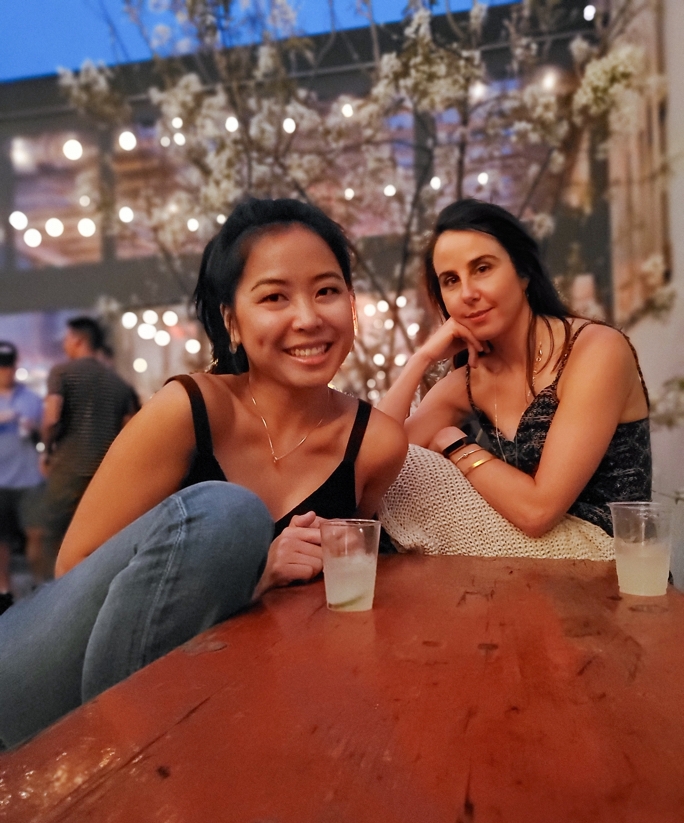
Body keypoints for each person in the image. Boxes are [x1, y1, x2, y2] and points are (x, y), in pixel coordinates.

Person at [0, 198, 407, 749]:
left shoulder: (375, 444)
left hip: (218, 704)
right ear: (231, 320)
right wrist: (253, 569)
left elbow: (330, 587)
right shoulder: (187, 409)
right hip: (38, 678)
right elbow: (77, 567)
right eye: (275, 297)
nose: (309, 317)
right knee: (226, 511)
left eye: (327, 290)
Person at [378, 199, 651, 558]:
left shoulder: (595, 350)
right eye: (450, 280)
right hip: (533, 566)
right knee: (391, 478)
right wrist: (422, 358)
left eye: (482, 268)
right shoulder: (468, 381)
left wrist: (455, 445)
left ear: (523, 272)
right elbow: (373, 460)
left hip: (610, 557)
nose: (468, 293)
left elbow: (539, 511)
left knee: (411, 477)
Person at [41, 316, 139, 572]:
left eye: (66, 338)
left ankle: (51, 597)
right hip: (103, 473)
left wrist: (46, 451)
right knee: (95, 542)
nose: (64, 344)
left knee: (53, 534)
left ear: (78, 340)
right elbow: (130, 430)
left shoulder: (61, 373)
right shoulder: (118, 383)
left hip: (67, 468)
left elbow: (52, 417)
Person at [0, 342, 45, 613]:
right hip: (0, 482)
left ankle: (40, 590)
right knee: (1, 539)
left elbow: (44, 432)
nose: (5, 372)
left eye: (9, 366)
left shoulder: (30, 399)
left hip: (28, 479)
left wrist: (33, 427)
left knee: (36, 533)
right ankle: (4, 591)